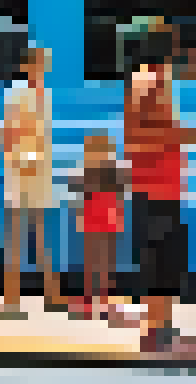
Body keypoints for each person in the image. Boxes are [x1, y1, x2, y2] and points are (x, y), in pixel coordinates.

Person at [127, 18, 196, 356]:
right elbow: (136, 139)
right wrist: (184, 135)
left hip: (162, 187)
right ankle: (157, 336)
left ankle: (163, 330)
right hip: (155, 188)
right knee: (160, 263)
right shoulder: (149, 82)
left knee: (166, 262)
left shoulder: (153, 80)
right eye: (173, 42)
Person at [0, 44, 63, 319]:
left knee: (41, 236)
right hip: (20, 172)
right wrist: (23, 158)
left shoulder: (44, 95)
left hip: (38, 174)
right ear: (26, 66)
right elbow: (6, 134)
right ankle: (12, 302)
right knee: (15, 239)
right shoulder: (17, 93)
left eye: (43, 63)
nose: (41, 68)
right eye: (37, 63)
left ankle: (52, 296)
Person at [74, 133, 133, 326]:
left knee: (105, 266)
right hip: (95, 223)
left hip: (107, 224)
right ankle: (89, 302)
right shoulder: (87, 172)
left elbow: (121, 195)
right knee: (92, 265)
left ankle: (105, 303)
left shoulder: (113, 172)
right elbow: (82, 199)